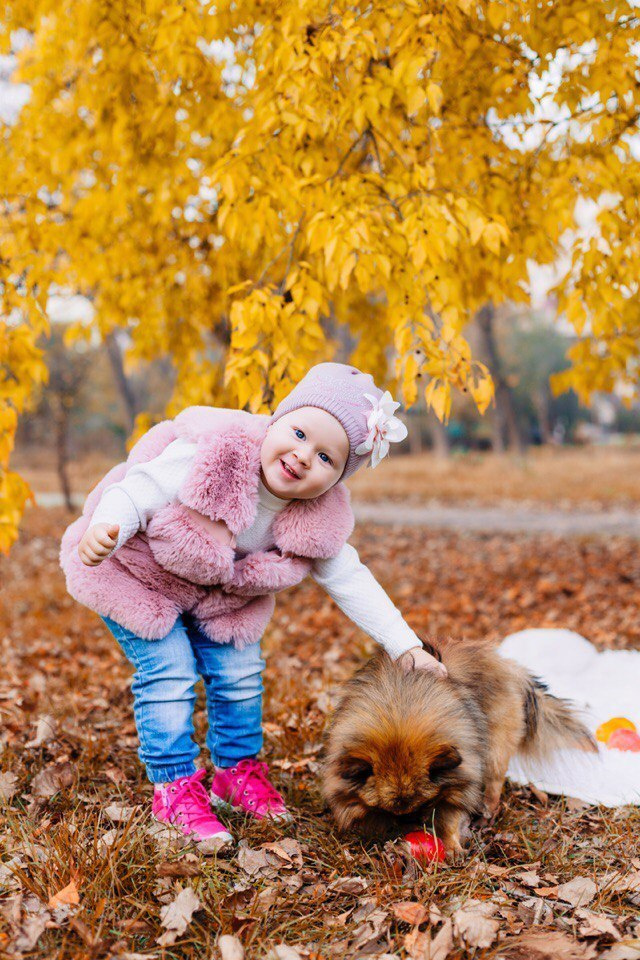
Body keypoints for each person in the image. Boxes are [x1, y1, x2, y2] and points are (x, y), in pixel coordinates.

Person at [60, 362, 447, 851]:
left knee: (241, 671)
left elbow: (350, 578)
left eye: (326, 456)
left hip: (220, 597)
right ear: (276, 420)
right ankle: (174, 786)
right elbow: (138, 489)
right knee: (169, 669)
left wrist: (406, 646)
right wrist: (108, 528)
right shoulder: (215, 454)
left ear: (337, 478)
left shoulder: (315, 516)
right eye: (300, 432)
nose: (303, 456)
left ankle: (235, 770)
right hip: (140, 574)